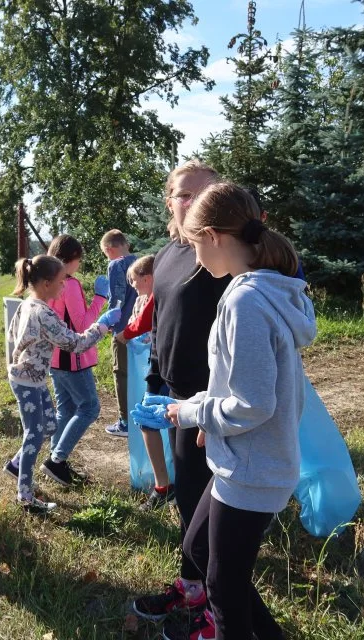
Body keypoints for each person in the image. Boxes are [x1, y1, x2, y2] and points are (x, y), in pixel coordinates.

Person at [154, 182, 315, 640]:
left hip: (252, 467)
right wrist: (208, 416)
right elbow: (247, 391)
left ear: (215, 237)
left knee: (224, 590)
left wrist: (195, 414)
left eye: (193, 241)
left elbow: (252, 404)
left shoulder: (245, 301)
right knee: (199, 547)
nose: (192, 253)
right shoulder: (265, 288)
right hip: (247, 457)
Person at [131, 160, 230, 625]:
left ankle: (215, 601)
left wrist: (216, 404)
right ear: (169, 201)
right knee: (189, 496)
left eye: (201, 193)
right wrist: (155, 379)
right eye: (181, 194)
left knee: (212, 506)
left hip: (213, 401)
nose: (189, 202)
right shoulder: (169, 253)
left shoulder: (223, 253)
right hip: (175, 395)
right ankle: (194, 586)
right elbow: (161, 319)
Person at [5, 255, 121, 512]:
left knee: (49, 425)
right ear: (46, 283)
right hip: (28, 381)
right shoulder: (44, 313)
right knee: (34, 434)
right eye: (61, 281)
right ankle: (25, 495)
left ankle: (16, 464)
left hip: (29, 377)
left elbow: (12, 335)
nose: (64, 286)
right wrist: (102, 325)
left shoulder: (27, 304)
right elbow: (75, 344)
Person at [43, 235, 109, 486]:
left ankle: (56, 462)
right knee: (90, 408)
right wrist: (101, 300)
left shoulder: (47, 282)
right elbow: (83, 325)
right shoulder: (68, 284)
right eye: (79, 260)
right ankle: (57, 460)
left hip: (55, 357)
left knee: (66, 410)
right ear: (69, 260)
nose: (79, 266)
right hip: (73, 357)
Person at [116, 255, 173, 510]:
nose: (134, 286)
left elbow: (145, 319)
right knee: (170, 421)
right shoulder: (169, 277)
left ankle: (164, 486)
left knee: (148, 420)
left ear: (147, 277)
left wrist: (125, 335)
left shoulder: (161, 287)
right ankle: (174, 482)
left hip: (165, 364)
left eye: (135, 281)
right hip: (165, 362)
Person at [100, 229, 138, 437]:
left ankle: (125, 421)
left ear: (109, 249)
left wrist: (109, 324)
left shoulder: (116, 265)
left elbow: (117, 300)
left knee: (121, 373)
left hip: (123, 328)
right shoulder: (142, 261)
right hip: (142, 327)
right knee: (138, 373)